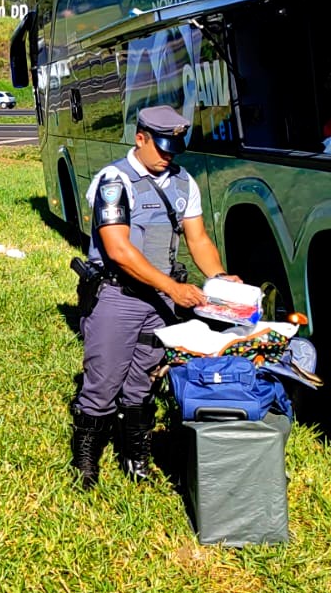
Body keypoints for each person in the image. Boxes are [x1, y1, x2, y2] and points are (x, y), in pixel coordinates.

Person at [70, 105, 239, 488]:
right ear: (140, 138)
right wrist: (174, 289)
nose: (168, 156)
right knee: (104, 381)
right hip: (119, 297)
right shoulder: (114, 181)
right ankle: (85, 466)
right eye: (161, 147)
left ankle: (135, 458)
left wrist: (220, 278)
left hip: (160, 305)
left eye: (174, 148)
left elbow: (197, 239)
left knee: (144, 383)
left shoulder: (184, 183)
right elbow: (118, 250)